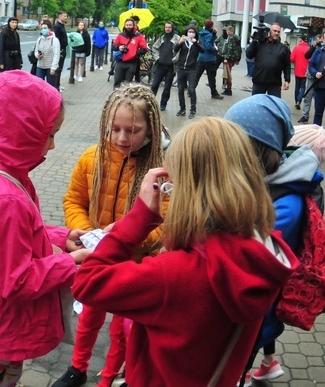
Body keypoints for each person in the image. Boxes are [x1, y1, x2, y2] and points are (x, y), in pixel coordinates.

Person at [72, 118, 297, 387]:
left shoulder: (174, 275)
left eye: (172, 187)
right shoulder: (262, 253)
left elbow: (87, 283)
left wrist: (137, 219)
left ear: (187, 193)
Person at [0, 71, 92, 386]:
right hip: (5, 319)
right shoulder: (6, 198)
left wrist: (61, 237)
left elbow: (20, 235)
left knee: (6, 371)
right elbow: (16, 280)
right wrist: (72, 262)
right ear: (25, 131)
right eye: (51, 134)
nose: (54, 144)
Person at [54, 84, 167, 387]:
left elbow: (166, 221)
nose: (121, 138)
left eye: (132, 130)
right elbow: (73, 200)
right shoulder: (92, 157)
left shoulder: (159, 171)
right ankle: (77, 368)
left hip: (135, 265)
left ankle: (108, 378)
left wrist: (131, 238)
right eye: (114, 128)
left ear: (150, 128)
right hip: (98, 258)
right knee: (89, 315)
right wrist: (86, 231)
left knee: (121, 329)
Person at [225, 96, 325, 386]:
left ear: (255, 151)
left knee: (233, 369)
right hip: (242, 310)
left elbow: (243, 255)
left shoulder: (285, 204)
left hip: (253, 315)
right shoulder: (260, 185)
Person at [246, 23, 291, 97]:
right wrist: (254, 41)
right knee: (257, 105)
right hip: (259, 81)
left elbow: (287, 65)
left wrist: (287, 80)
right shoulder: (259, 44)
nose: (276, 33)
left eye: (278, 31)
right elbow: (249, 55)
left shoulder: (283, 48)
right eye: (275, 31)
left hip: (274, 83)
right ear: (269, 31)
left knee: (274, 106)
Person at [173, 25, 204, 118]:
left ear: (195, 33)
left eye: (192, 32)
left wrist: (195, 43)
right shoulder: (184, 41)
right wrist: (179, 42)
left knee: (191, 89)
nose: (190, 33)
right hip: (181, 68)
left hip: (192, 69)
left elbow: (203, 50)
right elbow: (175, 50)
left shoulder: (198, 42)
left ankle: (193, 110)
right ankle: (182, 109)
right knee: (180, 89)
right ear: (186, 32)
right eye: (189, 31)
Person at [149, 21, 179, 110]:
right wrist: (157, 58)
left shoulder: (177, 38)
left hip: (171, 67)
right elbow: (154, 48)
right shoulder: (161, 38)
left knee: (167, 88)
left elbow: (180, 51)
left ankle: (163, 104)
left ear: (172, 28)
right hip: (160, 66)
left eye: (169, 27)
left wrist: (174, 60)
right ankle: (151, 103)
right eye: (166, 27)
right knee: (154, 85)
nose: (167, 29)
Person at [111, 18, 148, 89]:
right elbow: (114, 46)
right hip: (120, 62)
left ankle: (126, 99)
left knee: (127, 85)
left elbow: (144, 49)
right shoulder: (120, 35)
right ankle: (115, 99)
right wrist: (119, 47)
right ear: (124, 26)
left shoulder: (138, 36)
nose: (128, 26)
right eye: (127, 25)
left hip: (132, 63)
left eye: (130, 25)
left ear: (134, 26)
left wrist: (134, 53)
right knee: (117, 82)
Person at [195, 20, 225, 100]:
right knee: (211, 77)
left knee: (197, 75)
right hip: (209, 59)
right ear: (211, 26)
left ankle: (191, 90)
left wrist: (214, 33)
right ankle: (214, 93)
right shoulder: (209, 35)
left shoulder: (201, 33)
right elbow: (208, 46)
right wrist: (215, 49)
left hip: (201, 57)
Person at [298, 33, 323, 123]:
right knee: (308, 96)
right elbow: (307, 56)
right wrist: (313, 47)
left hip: (321, 77)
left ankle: (317, 117)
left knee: (319, 98)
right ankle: (305, 115)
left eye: (319, 40)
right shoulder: (314, 48)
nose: (318, 42)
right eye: (316, 40)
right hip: (311, 75)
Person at [33, 20, 61, 89]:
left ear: (49, 29)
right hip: (40, 66)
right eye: (42, 28)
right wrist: (38, 55)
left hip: (50, 67)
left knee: (50, 86)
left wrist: (53, 68)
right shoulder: (39, 39)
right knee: (39, 85)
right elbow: (36, 51)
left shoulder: (54, 40)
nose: (43, 30)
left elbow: (56, 55)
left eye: (45, 28)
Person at [220, 25, 242, 96]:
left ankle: (229, 89)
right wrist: (238, 59)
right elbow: (239, 49)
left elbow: (229, 49)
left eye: (227, 31)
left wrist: (226, 58)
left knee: (228, 74)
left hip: (229, 59)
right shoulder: (237, 38)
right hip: (234, 58)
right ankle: (228, 88)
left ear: (229, 31)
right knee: (229, 73)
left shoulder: (231, 38)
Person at [290, 34, 310, 110]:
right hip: (305, 71)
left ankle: (296, 101)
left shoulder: (296, 48)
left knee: (297, 86)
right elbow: (310, 60)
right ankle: (299, 100)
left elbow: (292, 59)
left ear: (301, 40)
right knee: (303, 87)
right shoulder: (309, 49)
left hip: (297, 70)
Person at [53, 11, 69, 89]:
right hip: (60, 50)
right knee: (58, 69)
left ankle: (58, 84)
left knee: (60, 68)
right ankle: (56, 86)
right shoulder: (57, 26)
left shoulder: (62, 25)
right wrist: (59, 50)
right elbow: (57, 39)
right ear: (59, 16)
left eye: (66, 16)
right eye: (64, 16)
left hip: (63, 49)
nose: (66, 17)